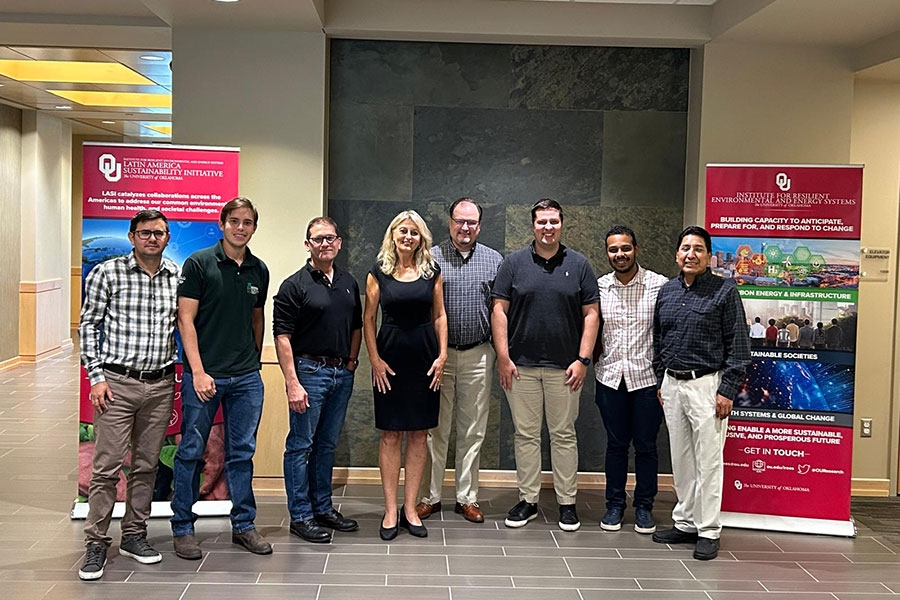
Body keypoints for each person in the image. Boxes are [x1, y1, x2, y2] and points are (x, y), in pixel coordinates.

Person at [77, 210, 179, 581]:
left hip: (160, 385)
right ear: (132, 235)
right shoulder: (108, 273)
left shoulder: (175, 277)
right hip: (116, 383)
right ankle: (96, 542)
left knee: (147, 466)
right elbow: (88, 325)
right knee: (105, 468)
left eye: (160, 233)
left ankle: (134, 535)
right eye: (146, 232)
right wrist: (96, 377)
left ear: (167, 238)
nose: (153, 238)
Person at [170, 197, 271, 559]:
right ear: (222, 223)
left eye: (247, 222)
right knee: (191, 453)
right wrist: (197, 371)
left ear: (253, 228)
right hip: (205, 376)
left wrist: (253, 363)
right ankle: (182, 528)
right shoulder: (199, 264)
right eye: (234, 221)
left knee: (241, 453)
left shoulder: (259, 269)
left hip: (245, 378)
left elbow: (257, 319)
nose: (240, 228)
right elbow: (186, 320)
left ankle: (244, 525)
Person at [491, 198, 600, 532]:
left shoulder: (579, 265)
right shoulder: (513, 263)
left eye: (553, 222)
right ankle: (529, 500)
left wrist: (583, 360)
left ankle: (567, 502)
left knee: (564, 435)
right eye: (542, 222)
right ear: (533, 225)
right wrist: (503, 357)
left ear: (561, 224)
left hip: (565, 368)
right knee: (525, 435)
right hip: (520, 367)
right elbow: (498, 310)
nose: (548, 228)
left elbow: (592, 314)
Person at [651, 226, 750, 561]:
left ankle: (708, 530)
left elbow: (738, 346)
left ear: (708, 256)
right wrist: (660, 380)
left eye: (697, 249)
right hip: (672, 385)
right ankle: (685, 522)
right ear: (677, 254)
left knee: (708, 461)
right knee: (681, 459)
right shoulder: (667, 291)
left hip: (707, 387)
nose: (690, 254)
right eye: (684, 248)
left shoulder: (724, 291)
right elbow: (658, 339)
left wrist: (727, 391)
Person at [273, 217, 362, 543]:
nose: (325, 244)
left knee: (326, 446)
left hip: (341, 373)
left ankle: (323, 507)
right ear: (307, 244)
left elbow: (357, 326)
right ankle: (300, 515)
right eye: (318, 239)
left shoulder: (349, 282)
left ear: (339, 242)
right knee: (300, 446)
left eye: (330, 238)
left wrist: (351, 364)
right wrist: (292, 382)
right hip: (308, 373)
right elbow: (282, 337)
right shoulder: (294, 285)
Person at [416, 198, 503, 524]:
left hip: (479, 354)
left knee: (473, 430)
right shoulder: (431, 258)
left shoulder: (494, 260)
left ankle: (467, 497)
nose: (465, 227)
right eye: (459, 221)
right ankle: (429, 497)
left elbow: (499, 311)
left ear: (479, 225)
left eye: (472, 222)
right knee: (433, 430)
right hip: (439, 358)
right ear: (449, 222)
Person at [364, 210, 448, 541]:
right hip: (390, 359)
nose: (408, 236)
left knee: (418, 433)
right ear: (393, 235)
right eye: (403, 230)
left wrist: (442, 355)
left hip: (426, 359)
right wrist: (374, 359)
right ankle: (389, 509)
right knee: (389, 434)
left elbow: (439, 315)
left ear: (421, 238)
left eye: (414, 232)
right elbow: (368, 319)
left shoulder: (432, 272)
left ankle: (410, 508)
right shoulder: (378, 272)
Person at [593, 225, 667, 534]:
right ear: (607, 253)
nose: (619, 254)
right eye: (613, 250)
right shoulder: (598, 288)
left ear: (636, 249)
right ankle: (614, 505)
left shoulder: (659, 285)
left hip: (647, 379)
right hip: (610, 377)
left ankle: (644, 506)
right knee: (616, 444)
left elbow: (667, 333)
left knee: (647, 446)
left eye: (625, 248)